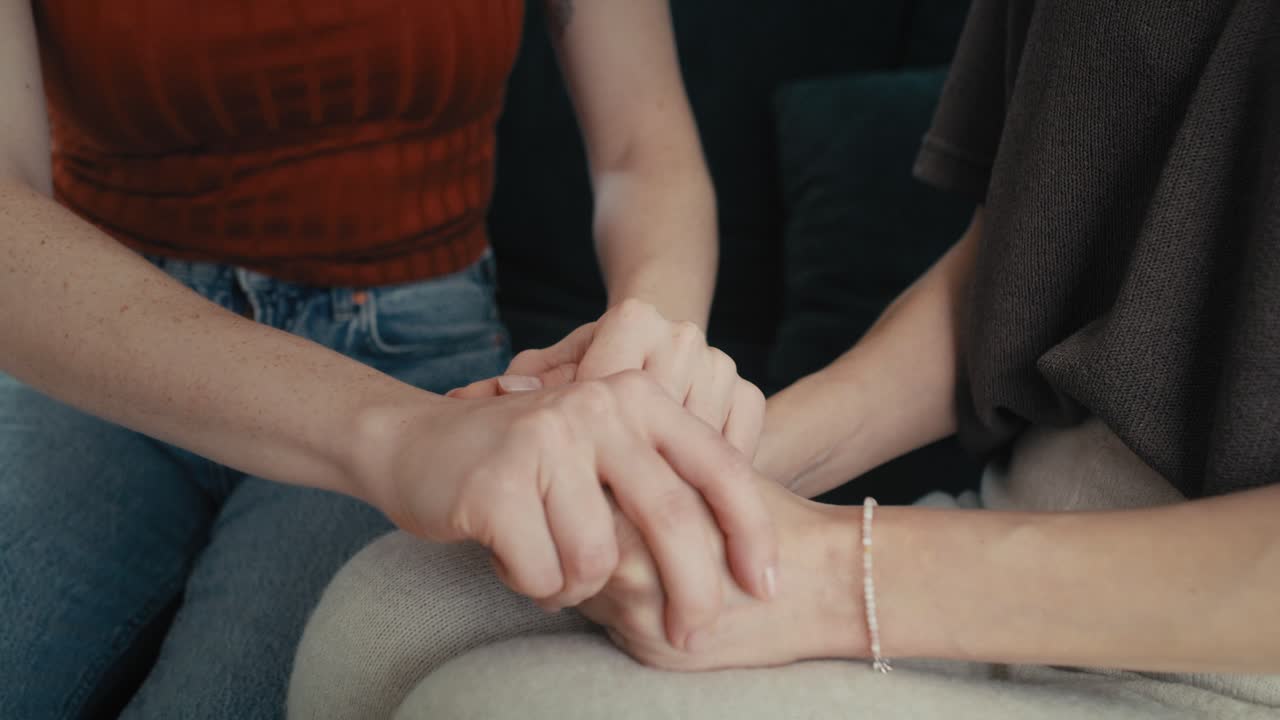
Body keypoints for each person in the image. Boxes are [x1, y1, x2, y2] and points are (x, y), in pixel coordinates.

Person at [288, 0, 1280, 718]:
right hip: (1019, 509)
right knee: (386, 608)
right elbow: (1026, 265)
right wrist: (710, 465)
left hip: (1223, 638)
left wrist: (828, 577)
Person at [0, 1, 779, 718]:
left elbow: (642, 152)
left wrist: (642, 356)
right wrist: (398, 438)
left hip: (418, 352)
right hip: (106, 343)